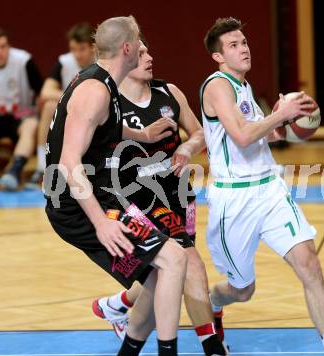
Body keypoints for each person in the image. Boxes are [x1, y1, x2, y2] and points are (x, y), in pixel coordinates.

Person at [200, 17, 324, 356]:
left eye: (244, 41)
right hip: (233, 200)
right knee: (242, 290)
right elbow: (240, 134)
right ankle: (213, 302)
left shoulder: (244, 88)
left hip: (269, 189)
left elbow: (255, 136)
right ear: (218, 57)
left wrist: (284, 128)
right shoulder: (216, 86)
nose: (244, 48)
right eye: (234, 45)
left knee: (309, 262)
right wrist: (281, 115)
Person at [44, 16, 187, 356]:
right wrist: (101, 222)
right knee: (175, 260)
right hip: (76, 205)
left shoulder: (103, 83)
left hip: (96, 195)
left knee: (157, 278)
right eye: (139, 40)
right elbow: (68, 163)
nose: (144, 46)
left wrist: (141, 134)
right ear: (127, 48)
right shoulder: (95, 90)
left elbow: (101, 126)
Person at [92, 40, 228, 356]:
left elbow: (200, 133)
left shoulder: (170, 92)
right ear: (123, 59)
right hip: (132, 197)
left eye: (150, 51)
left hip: (175, 193)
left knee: (165, 273)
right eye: (141, 54)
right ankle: (212, 348)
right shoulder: (106, 102)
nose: (150, 57)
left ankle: (119, 306)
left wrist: (186, 148)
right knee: (186, 262)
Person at [28, 23, 96, 187]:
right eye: (74, 49)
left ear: (93, 47)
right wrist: (73, 98)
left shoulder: (104, 63)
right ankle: (41, 166)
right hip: (73, 112)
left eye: (82, 49)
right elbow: (45, 91)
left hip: (96, 114)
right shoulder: (65, 62)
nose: (77, 54)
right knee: (50, 105)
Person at [0, 27, 43, 190]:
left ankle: (14, 171)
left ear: (8, 46)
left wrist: (34, 112)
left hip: (18, 115)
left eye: (3, 47)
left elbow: (41, 92)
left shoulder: (23, 61)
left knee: (31, 124)